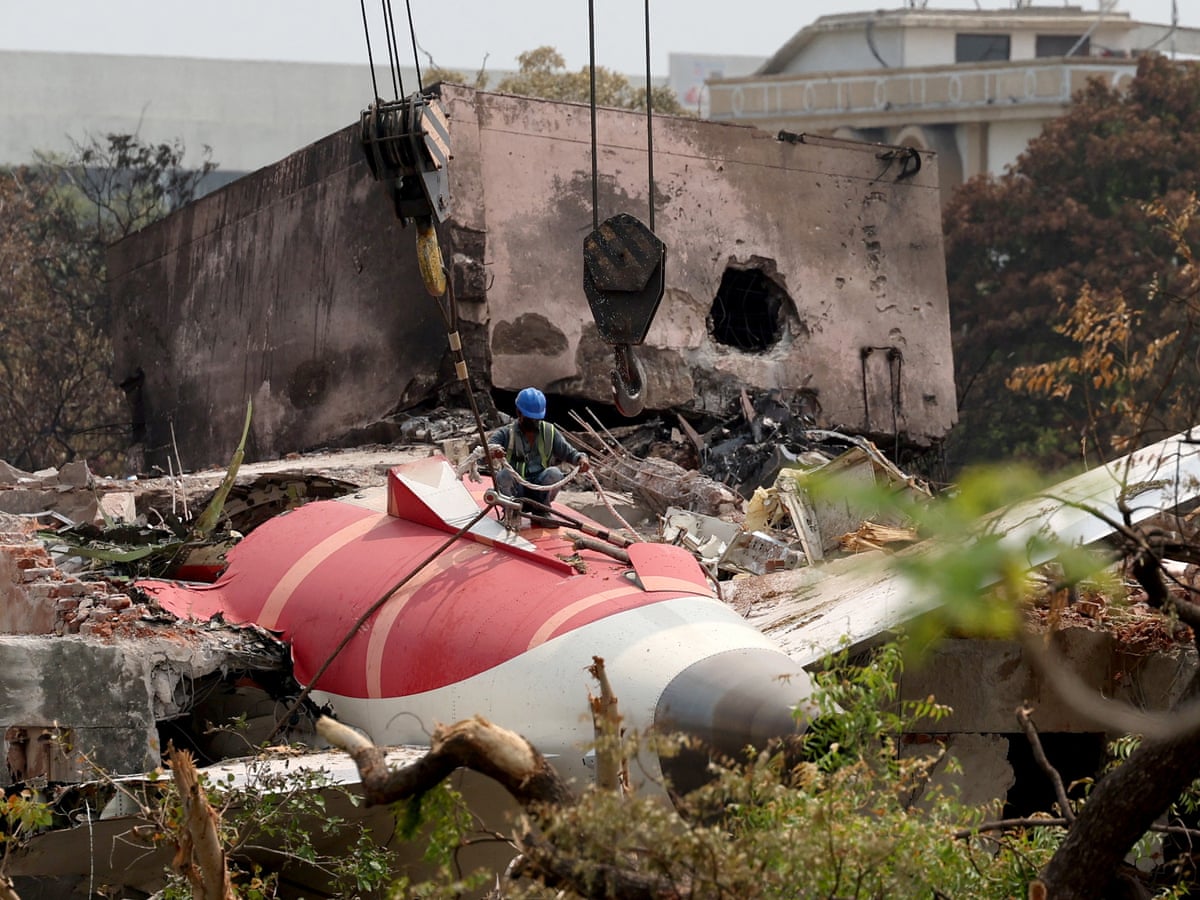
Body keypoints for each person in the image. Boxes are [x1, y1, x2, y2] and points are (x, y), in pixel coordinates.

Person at [488, 387, 590, 511]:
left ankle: (542, 509)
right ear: (519, 413)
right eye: (530, 418)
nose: (534, 422)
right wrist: (494, 452)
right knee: (504, 475)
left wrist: (581, 459)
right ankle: (511, 511)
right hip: (516, 490)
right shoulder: (505, 433)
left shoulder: (550, 432)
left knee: (554, 473)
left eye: (536, 419)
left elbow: (570, 453)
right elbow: (487, 449)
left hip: (540, 489)